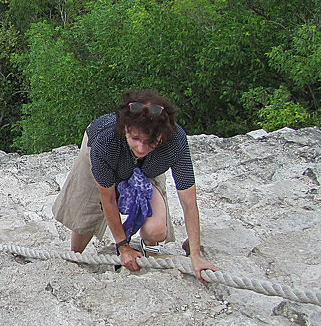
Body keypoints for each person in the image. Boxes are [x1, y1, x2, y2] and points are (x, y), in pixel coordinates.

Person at [52, 90, 218, 282]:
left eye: (150, 142)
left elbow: (189, 201)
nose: (141, 148)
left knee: (157, 229)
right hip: (103, 155)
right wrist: (123, 247)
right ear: (125, 129)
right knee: (85, 214)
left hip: (150, 167)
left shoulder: (175, 142)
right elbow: (108, 199)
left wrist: (196, 256)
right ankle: (75, 256)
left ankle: (150, 247)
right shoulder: (106, 142)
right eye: (135, 139)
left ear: (162, 137)